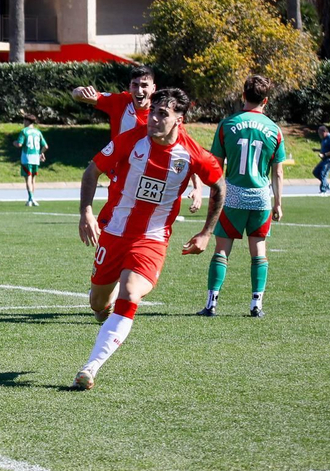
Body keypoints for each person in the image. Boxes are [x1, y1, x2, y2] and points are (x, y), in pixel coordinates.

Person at [73, 88, 225, 390]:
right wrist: (86, 212)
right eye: (153, 112)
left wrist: (207, 233)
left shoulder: (193, 154)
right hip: (114, 233)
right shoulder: (132, 139)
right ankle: (106, 314)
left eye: (162, 114)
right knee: (98, 303)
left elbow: (219, 187)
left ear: (179, 120)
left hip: (152, 240)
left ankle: (90, 367)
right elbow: (92, 171)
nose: (153, 118)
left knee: (130, 294)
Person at [200, 76, 285, 318]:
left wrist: (212, 196)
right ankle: (256, 305)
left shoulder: (227, 125)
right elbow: (278, 171)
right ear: (266, 100)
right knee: (258, 250)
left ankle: (211, 303)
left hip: (233, 195)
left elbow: (215, 165)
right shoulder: (274, 130)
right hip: (260, 196)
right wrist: (278, 203)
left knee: (221, 251)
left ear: (243, 96)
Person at [73, 65, 201, 212]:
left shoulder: (164, 115)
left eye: (144, 85)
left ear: (153, 88)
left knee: (148, 221)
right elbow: (78, 94)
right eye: (135, 85)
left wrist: (197, 187)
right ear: (130, 87)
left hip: (152, 178)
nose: (139, 91)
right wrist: (80, 91)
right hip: (121, 178)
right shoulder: (120, 102)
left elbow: (185, 151)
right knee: (113, 223)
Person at [16, 115, 48, 206]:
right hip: (35, 158)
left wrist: (14, 143)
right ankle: (32, 198)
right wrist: (40, 153)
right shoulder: (38, 132)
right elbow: (45, 146)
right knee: (33, 179)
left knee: (28, 179)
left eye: (24, 121)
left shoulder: (24, 131)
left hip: (27, 158)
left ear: (27, 121)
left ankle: (31, 198)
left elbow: (19, 144)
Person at [312, 124, 330, 193]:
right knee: (316, 172)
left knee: (322, 173)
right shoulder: (324, 139)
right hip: (325, 159)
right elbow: (325, 149)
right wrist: (317, 150)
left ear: (324, 132)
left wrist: (324, 155)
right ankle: (327, 185)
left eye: (320, 133)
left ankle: (323, 190)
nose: (319, 135)